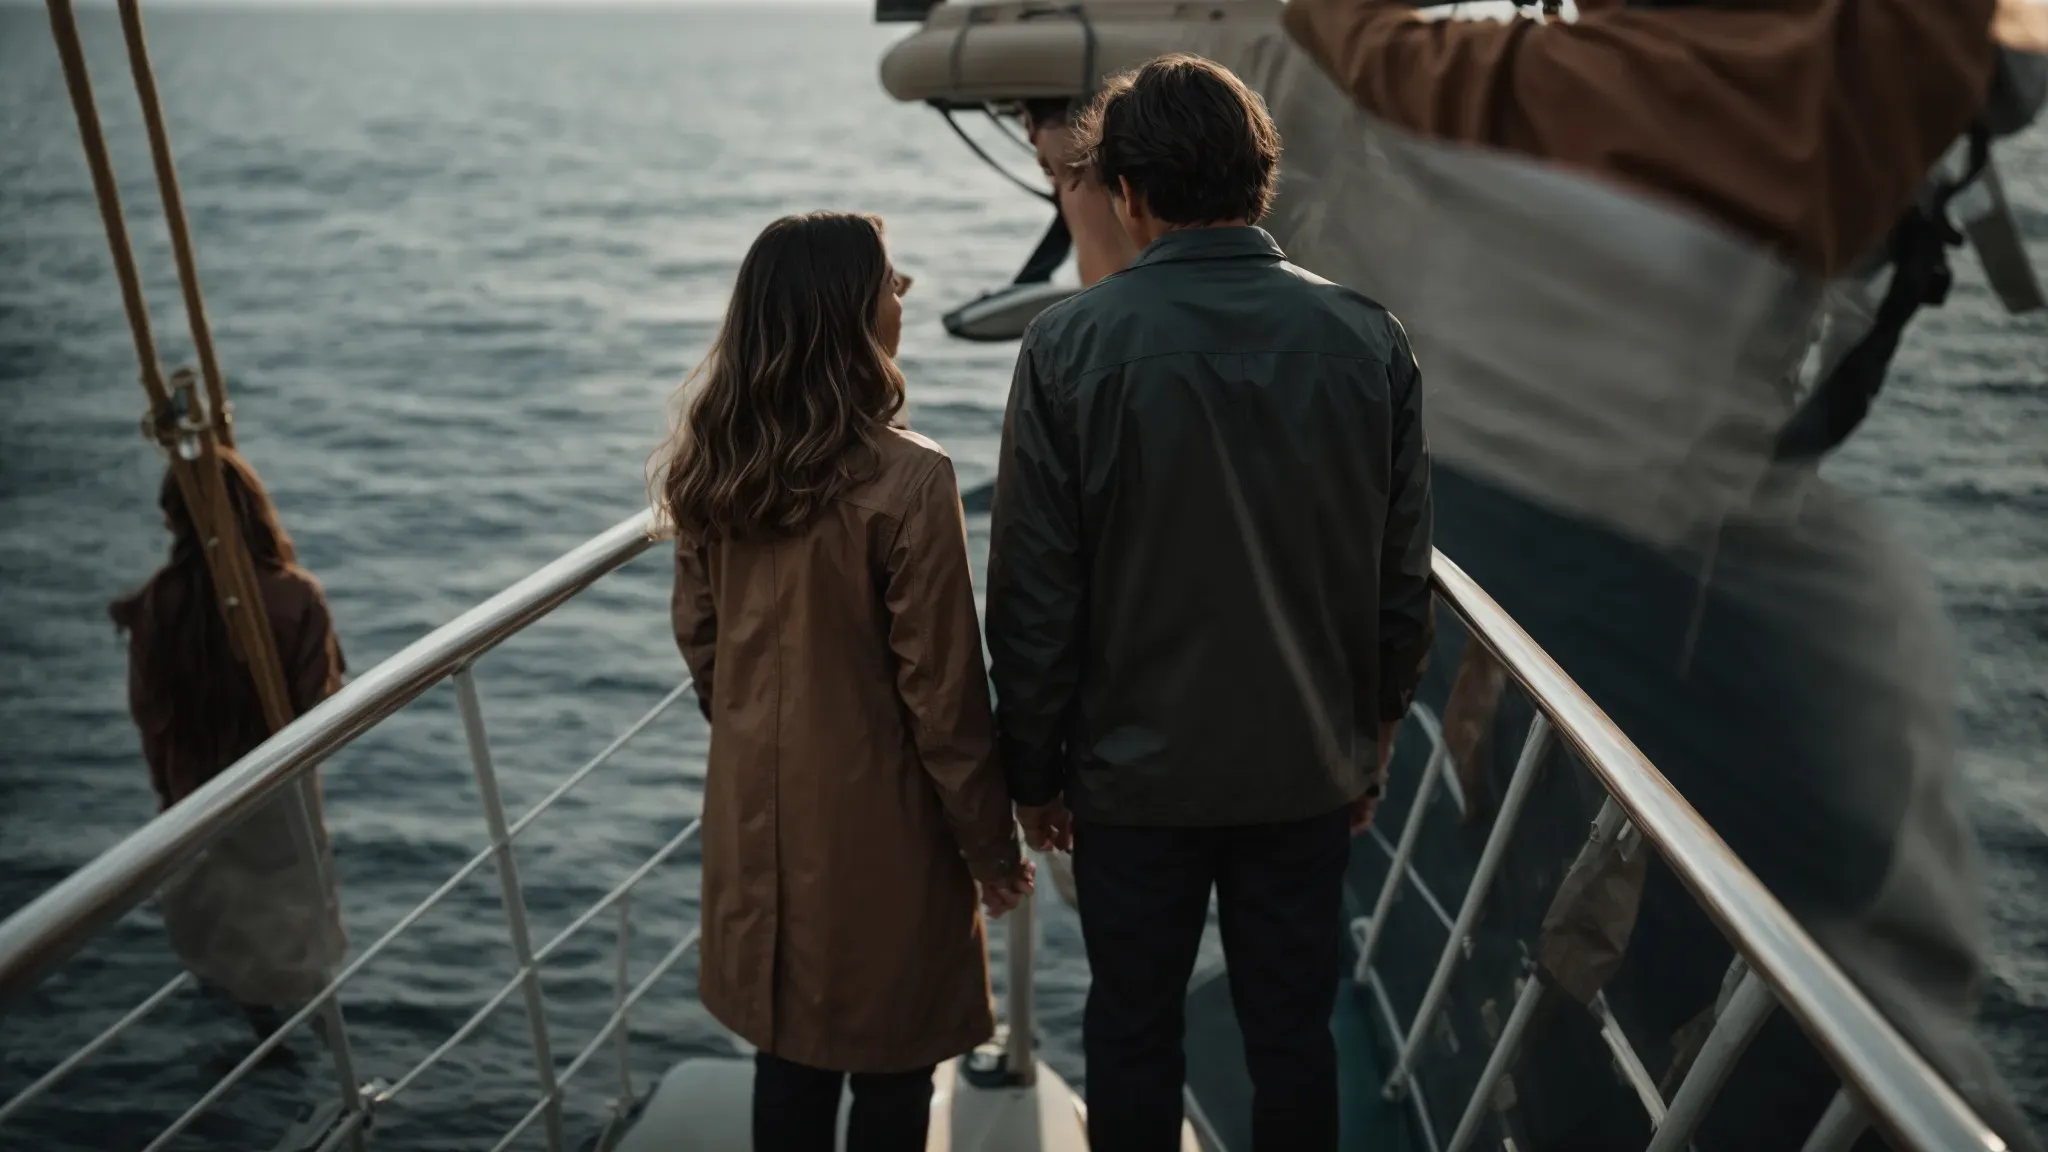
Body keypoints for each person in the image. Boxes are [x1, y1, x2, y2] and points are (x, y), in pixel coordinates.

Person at [1248, 2, 2043, 1149]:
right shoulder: (1865, 75)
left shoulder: (1514, 81)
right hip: (1714, 575)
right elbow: (2002, 62)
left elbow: (1364, 40)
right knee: (1811, 913)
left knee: (1583, 863)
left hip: (1548, 561)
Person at [984, 56, 1434, 1152]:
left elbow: (1034, 596)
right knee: (1292, 1036)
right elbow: (1397, 583)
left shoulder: (1066, 348)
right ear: (1259, 180)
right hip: (1303, 768)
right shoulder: (1368, 339)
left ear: (1126, 192)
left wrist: (1033, 771)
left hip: (1130, 781)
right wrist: (1368, 741)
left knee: (1131, 1033)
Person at [652, 211, 1036, 1152]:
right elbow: (943, 699)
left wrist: (752, 731)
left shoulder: (713, 464)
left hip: (757, 808)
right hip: (884, 828)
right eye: (891, 284)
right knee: (895, 1068)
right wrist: (991, 849)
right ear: (851, 315)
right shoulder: (909, 480)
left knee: (788, 1056)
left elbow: (701, 642)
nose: (902, 300)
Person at [110, 449, 348, 1046]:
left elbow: (150, 719)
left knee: (222, 959)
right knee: (297, 954)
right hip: (276, 803)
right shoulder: (296, 597)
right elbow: (319, 711)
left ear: (176, 519)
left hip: (195, 801)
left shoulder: (158, 603)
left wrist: (169, 794)